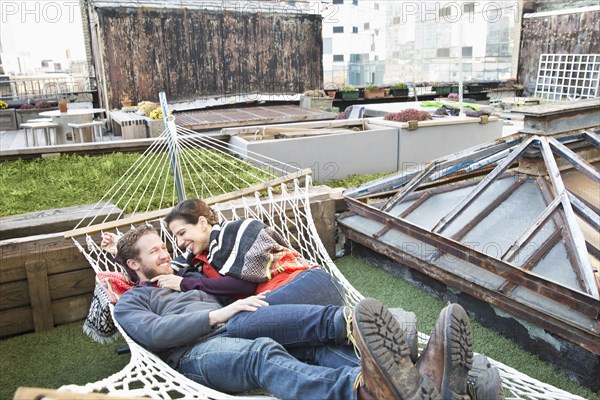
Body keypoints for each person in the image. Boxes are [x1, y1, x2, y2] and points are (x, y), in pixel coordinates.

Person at [113, 224, 474, 400]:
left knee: (308, 345)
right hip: (194, 354)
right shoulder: (133, 301)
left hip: (231, 329)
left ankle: (417, 381)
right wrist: (217, 316)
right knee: (261, 353)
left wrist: (202, 287)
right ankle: (362, 391)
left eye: (165, 246)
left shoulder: (188, 274)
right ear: (133, 264)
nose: (165, 254)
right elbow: (153, 335)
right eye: (154, 252)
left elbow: (204, 247)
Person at [158, 198, 346, 306]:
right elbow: (169, 267)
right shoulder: (199, 258)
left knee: (238, 324)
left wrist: (184, 283)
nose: (180, 243)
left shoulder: (239, 230)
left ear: (202, 223)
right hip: (279, 300)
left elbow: (243, 285)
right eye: (176, 237)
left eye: (182, 233)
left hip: (306, 282)